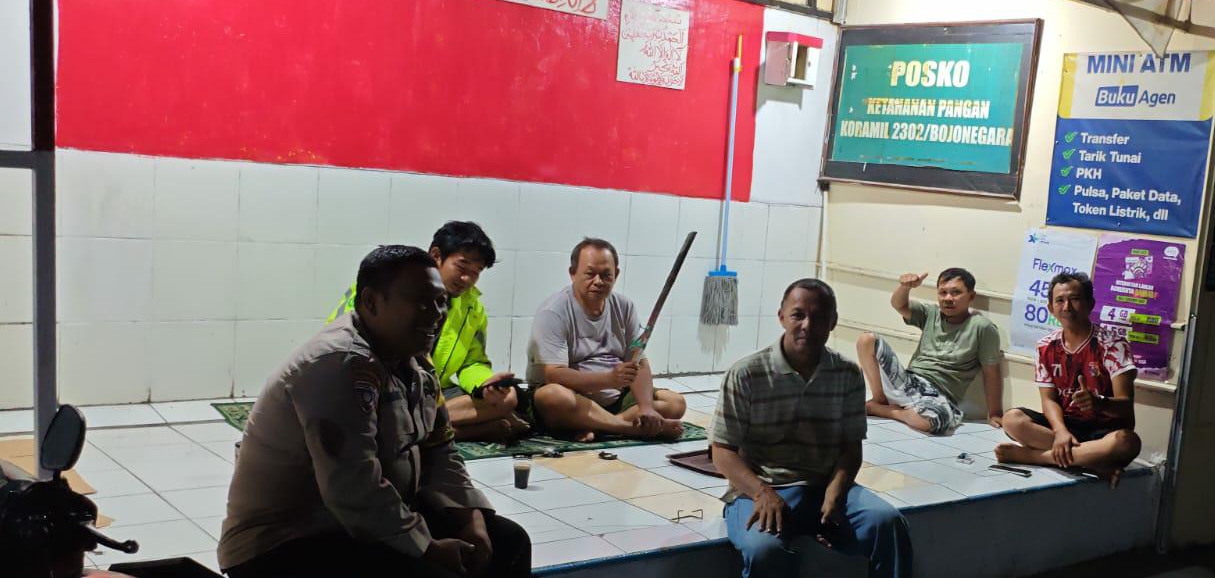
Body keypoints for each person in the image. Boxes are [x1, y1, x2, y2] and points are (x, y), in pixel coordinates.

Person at [220, 245, 531, 578]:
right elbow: (353, 487)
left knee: (508, 542)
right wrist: (426, 547)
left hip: (367, 520)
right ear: (370, 302)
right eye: (421, 302)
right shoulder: (339, 363)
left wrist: (470, 518)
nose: (436, 313)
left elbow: (440, 450)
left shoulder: (415, 359)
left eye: (441, 301)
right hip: (289, 540)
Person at [713, 278, 912, 578]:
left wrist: (836, 490)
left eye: (819, 317)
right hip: (763, 489)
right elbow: (722, 451)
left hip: (824, 487)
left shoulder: (847, 374)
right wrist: (761, 492)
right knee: (763, 551)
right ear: (781, 317)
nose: (808, 325)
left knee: (888, 522)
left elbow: (851, 448)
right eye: (798, 315)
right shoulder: (746, 374)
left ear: (833, 322)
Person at [328, 221, 527, 442]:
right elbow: (345, 343)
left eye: (476, 272)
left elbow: (473, 362)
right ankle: (451, 431)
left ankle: (421, 428)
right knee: (369, 405)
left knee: (506, 399)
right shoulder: (388, 288)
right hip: (383, 386)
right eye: (462, 267)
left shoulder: (471, 308)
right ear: (436, 256)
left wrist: (484, 384)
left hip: (431, 391)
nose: (468, 279)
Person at [526, 237, 686, 440]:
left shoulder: (624, 307)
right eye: (590, 274)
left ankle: (597, 426)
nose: (598, 281)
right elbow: (554, 375)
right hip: (574, 398)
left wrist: (646, 407)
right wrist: (609, 379)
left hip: (615, 398)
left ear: (616, 275)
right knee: (552, 397)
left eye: (605, 275)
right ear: (573, 273)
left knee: (675, 403)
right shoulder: (554, 312)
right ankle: (626, 427)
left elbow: (638, 362)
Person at [996, 271, 1141, 484]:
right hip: (1066, 429)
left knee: (1127, 442)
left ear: (1090, 304)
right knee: (1011, 420)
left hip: (1104, 432)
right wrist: (1061, 431)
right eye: (1060, 301)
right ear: (1050, 308)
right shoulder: (1045, 346)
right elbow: (1049, 400)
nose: (1067, 307)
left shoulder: (1113, 345)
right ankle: (1091, 462)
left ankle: (1037, 457)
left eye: (1074, 299)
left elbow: (1126, 406)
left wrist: (1098, 403)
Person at [856, 268, 1004, 435]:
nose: (948, 298)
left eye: (956, 292)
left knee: (933, 421)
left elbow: (991, 372)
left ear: (971, 296)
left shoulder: (982, 327)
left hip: (938, 396)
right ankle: (880, 400)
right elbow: (899, 305)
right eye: (943, 292)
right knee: (866, 340)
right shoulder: (931, 314)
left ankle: (882, 410)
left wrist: (995, 413)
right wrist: (905, 287)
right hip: (908, 381)